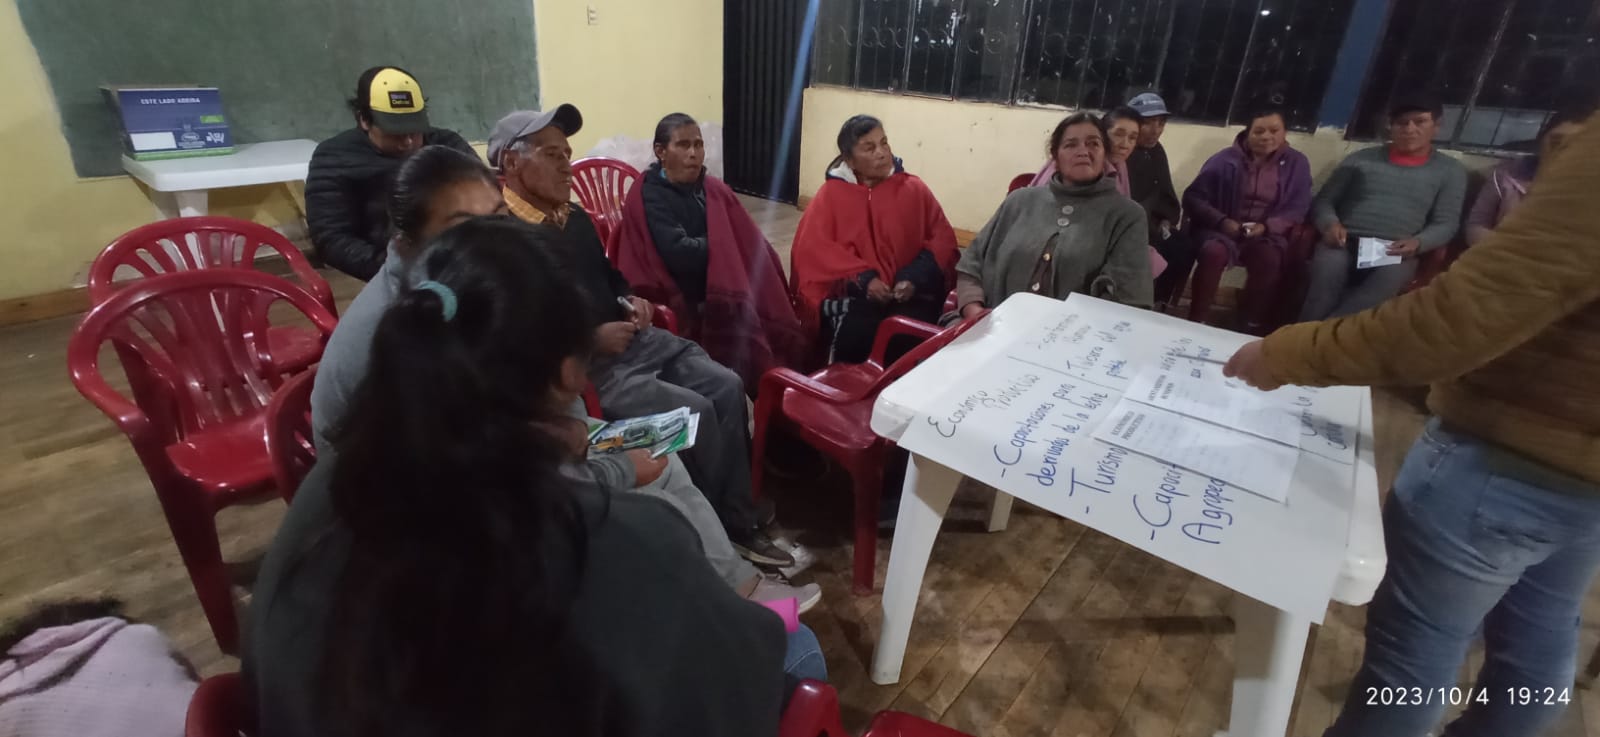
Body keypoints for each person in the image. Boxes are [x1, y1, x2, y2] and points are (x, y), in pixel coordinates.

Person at [247, 218, 826, 737]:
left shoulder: (330, 488)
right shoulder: (610, 538)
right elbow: (723, 695)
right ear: (570, 373)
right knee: (797, 646)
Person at [1222, 112, 1600, 737]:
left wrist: (1287, 353)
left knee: (1413, 663)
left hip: (1509, 457)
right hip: (1582, 481)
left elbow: (1453, 320)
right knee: (1539, 642)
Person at [309, 145, 818, 607]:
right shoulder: (414, 336)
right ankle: (710, 600)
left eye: (499, 217)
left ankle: (736, 584)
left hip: (507, 450)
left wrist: (579, 431)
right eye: (466, 226)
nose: (495, 238)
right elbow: (492, 485)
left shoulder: (487, 282)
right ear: (406, 242)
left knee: (664, 457)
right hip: (433, 515)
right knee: (648, 515)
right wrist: (614, 469)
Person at [487, 107, 792, 566]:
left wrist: (631, 299)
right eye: (552, 155)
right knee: (695, 412)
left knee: (727, 385)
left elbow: (610, 277)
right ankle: (720, 530)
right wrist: (590, 340)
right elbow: (514, 335)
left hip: (634, 339)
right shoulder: (500, 242)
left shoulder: (573, 218)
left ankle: (734, 511)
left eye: (567, 153)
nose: (567, 166)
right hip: (587, 369)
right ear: (511, 163)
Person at [613, 113, 806, 391]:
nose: (694, 153)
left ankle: (778, 392)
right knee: (740, 317)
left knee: (763, 290)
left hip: (719, 280)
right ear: (660, 151)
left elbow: (745, 238)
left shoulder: (711, 189)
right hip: (680, 291)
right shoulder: (651, 194)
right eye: (683, 145)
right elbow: (681, 255)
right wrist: (724, 243)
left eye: (698, 144)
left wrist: (732, 249)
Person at [791, 115, 959, 364]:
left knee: (905, 338)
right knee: (855, 338)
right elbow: (814, 251)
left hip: (910, 293)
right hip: (854, 295)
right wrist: (864, 279)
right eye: (869, 148)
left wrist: (913, 277)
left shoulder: (914, 189)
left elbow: (942, 240)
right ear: (849, 160)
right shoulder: (830, 196)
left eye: (884, 143)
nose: (881, 153)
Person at [954, 112, 1152, 320]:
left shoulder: (1127, 216)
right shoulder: (1019, 201)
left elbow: (1128, 300)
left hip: (1073, 337)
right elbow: (971, 263)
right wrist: (975, 312)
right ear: (1055, 156)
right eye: (1071, 145)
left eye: (1093, 144)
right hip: (989, 326)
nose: (1083, 151)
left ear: (1105, 154)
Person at [1299, 96, 1467, 320]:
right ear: (1391, 126)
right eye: (1402, 123)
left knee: (1375, 296)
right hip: (1343, 242)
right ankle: (1302, 336)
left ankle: (1327, 335)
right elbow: (1324, 201)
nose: (1410, 129)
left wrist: (1419, 242)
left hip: (1395, 252)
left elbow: (1446, 222)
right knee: (1323, 287)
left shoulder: (1450, 171)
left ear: (1436, 126)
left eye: (1419, 122)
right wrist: (1330, 224)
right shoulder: (1360, 160)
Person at [305, 66, 474, 281]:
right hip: (389, 271)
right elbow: (331, 238)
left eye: (415, 130)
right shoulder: (336, 158)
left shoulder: (448, 146)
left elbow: (486, 204)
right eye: (396, 133)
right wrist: (397, 269)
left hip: (462, 262)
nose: (408, 142)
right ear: (364, 120)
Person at [1181, 106, 1313, 332]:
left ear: (1285, 132)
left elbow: (1298, 206)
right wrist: (1223, 222)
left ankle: (1248, 325)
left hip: (1266, 234)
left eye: (1274, 131)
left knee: (1269, 259)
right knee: (1213, 252)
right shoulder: (1225, 159)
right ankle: (1197, 320)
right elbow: (1194, 198)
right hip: (1222, 229)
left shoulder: (1297, 163)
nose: (1267, 137)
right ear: (1247, 133)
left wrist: (1267, 226)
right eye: (1259, 131)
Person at [1464, 107, 1589, 245]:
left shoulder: (1587, 190)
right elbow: (1477, 224)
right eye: (1556, 141)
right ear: (1541, 138)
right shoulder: (1506, 174)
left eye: (1572, 145)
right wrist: (1504, 249)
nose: (1560, 150)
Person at [1125, 92, 1195, 307]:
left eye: (1161, 123)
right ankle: (1141, 301)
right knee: (1160, 251)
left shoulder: (1156, 151)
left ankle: (1161, 302)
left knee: (1184, 247)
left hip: (1152, 223)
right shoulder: (1123, 151)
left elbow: (1164, 193)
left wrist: (1167, 219)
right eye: (1147, 123)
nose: (1156, 130)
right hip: (1127, 225)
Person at [1101, 106, 1141, 197]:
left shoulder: (1121, 164)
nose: (1125, 145)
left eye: (1132, 138)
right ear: (1102, 134)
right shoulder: (1092, 171)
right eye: (1118, 135)